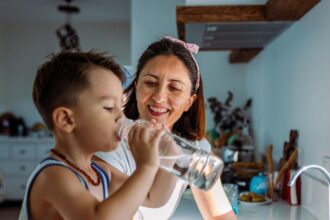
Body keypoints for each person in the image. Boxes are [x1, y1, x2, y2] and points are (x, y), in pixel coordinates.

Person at [19, 51, 176, 220]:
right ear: (66, 119)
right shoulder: (53, 176)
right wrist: (146, 167)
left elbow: (154, 198)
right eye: (109, 108)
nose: (121, 117)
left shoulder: (100, 173)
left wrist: (170, 157)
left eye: (119, 107)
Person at [96, 36, 238, 219]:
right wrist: (170, 155)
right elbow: (151, 200)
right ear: (137, 85)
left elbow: (220, 215)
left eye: (174, 88)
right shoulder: (107, 147)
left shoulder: (194, 149)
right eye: (151, 83)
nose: (159, 96)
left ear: (189, 101)